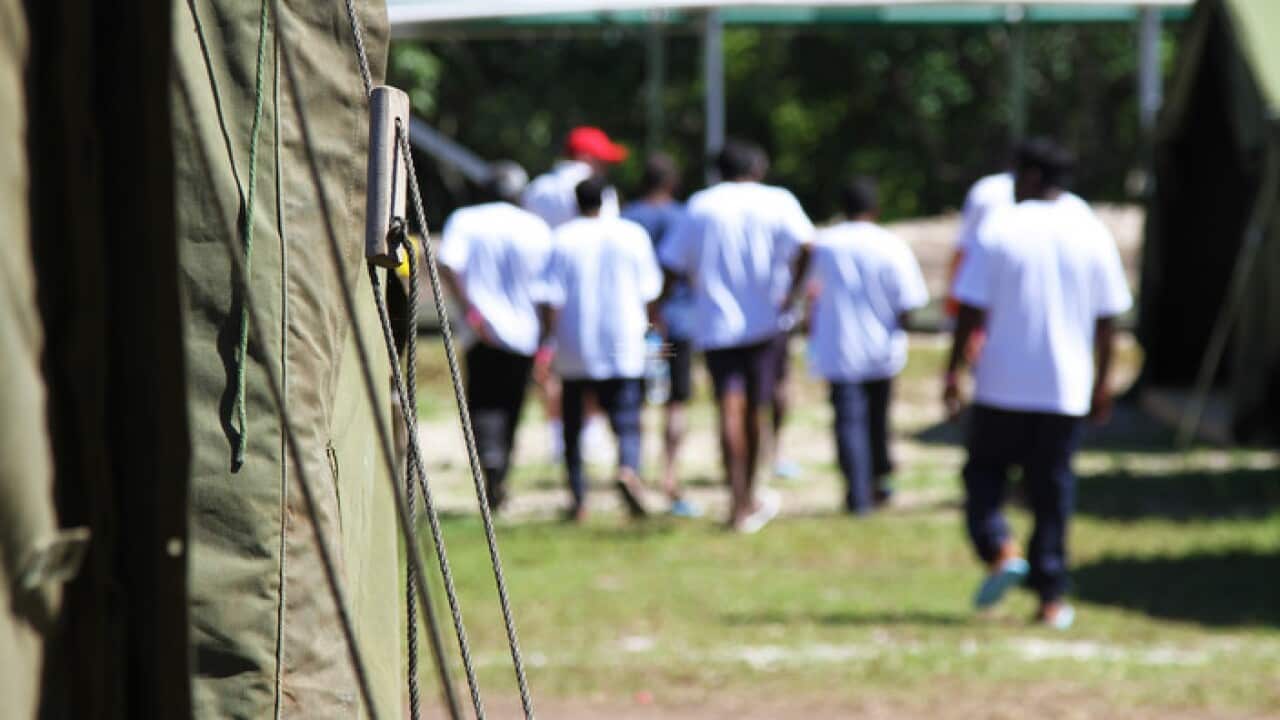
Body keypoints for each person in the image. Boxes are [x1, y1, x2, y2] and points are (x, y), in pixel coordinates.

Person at [944, 138, 1131, 629]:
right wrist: (1102, 382)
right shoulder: (1091, 231)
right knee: (1052, 492)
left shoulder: (1000, 226)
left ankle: (1000, 547)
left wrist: (953, 370)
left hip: (1001, 382)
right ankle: (1051, 598)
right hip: (1065, 386)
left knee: (983, 477)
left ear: (1027, 178)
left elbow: (969, 306)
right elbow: (1108, 319)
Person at [660, 139, 815, 533]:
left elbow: (672, 262)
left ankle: (737, 497)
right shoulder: (778, 200)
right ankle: (749, 492)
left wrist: (658, 308)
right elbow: (808, 245)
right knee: (755, 409)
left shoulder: (701, 205)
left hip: (715, 321)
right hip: (767, 319)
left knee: (728, 406)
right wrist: (793, 290)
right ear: (757, 167)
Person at [535, 177, 663, 521]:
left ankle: (579, 499)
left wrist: (546, 341)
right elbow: (651, 291)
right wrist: (653, 331)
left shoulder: (561, 238)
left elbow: (550, 298)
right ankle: (627, 468)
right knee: (627, 419)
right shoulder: (632, 234)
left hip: (575, 342)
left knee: (573, 424)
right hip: (624, 340)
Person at [808, 177, 928, 513]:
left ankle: (856, 495)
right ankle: (880, 481)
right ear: (875, 209)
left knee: (848, 422)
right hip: (882, 350)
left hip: (840, 349)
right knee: (878, 420)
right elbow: (909, 302)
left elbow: (808, 290)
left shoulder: (826, 245)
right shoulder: (891, 245)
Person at [440, 161, 554, 511]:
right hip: (524, 331)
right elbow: (547, 289)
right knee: (512, 404)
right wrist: (546, 336)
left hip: (481, 330)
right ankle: (501, 470)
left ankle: (490, 464)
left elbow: (446, 263)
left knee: (483, 402)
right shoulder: (536, 227)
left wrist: (470, 310)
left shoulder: (466, 220)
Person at [523, 125, 629, 463]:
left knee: (550, 361)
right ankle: (590, 430)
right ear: (586, 156)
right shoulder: (600, 191)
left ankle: (558, 435)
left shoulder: (538, 189)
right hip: (590, 285)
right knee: (590, 361)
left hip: (544, 285)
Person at [622, 154, 702, 518]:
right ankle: (669, 476)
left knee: (637, 398)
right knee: (675, 400)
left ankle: (633, 469)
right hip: (677, 323)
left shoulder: (628, 218)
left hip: (640, 324)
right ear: (672, 183)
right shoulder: (684, 217)